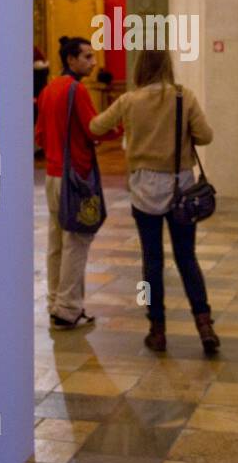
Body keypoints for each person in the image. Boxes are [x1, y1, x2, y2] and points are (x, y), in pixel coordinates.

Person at [90, 49, 219, 354]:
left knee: (152, 262)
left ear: (140, 70)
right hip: (180, 189)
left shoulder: (129, 100)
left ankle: (157, 330)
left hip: (143, 189)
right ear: (167, 67)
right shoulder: (182, 96)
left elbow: (97, 126)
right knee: (187, 258)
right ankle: (204, 325)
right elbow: (206, 136)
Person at [34, 36, 121, 330]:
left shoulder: (48, 89)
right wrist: (121, 127)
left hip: (53, 175)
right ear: (70, 60)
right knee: (77, 240)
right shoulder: (77, 90)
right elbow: (94, 128)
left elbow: (39, 136)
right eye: (87, 57)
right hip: (77, 176)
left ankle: (55, 301)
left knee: (56, 241)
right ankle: (68, 310)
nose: (93, 62)